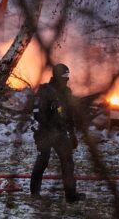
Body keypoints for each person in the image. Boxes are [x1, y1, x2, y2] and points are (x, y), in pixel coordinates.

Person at [30, 63, 84, 203]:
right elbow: (37, 114)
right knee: (43, 161)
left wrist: (72, 134)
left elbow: (69, 115)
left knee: (68, 162)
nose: (67, 79)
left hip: (60, 133)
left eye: (68, 76)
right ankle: (35, 194)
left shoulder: (67, 92)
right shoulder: (44, 90)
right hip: (45, 132)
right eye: (64, 76)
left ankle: (71, 196)